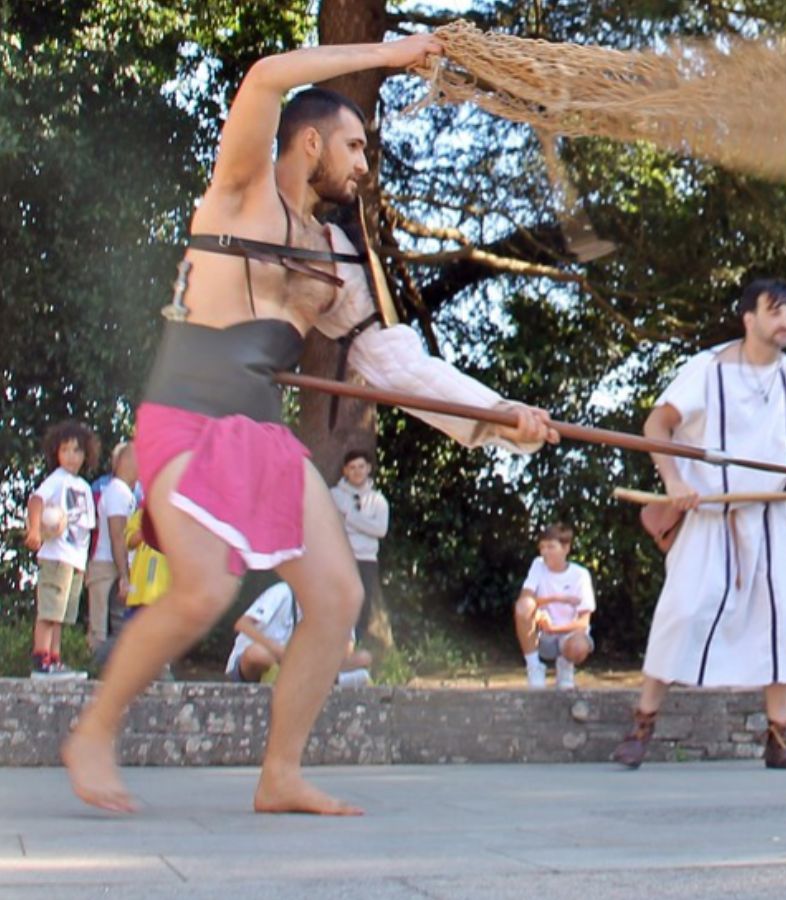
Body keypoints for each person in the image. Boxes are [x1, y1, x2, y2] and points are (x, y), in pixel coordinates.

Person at [62, 34, 559, 816]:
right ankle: (93, 730)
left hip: (260, 432)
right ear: (311, 139)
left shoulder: (337, 260)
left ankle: (280, 774)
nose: (364, 165)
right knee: (202, 588)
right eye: (355, 146)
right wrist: (396, 55)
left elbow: (393, 364)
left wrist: (497, 417)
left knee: (333, 597)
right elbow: (264, 78)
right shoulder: (238, 192)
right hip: (186, 414)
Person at [611, 278, 786, 770]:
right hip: (710, 515)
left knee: (782, 621)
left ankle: (778, 738)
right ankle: (642, 726)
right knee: (682, 612)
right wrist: (674, 480)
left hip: (771, 518)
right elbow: (656, 426)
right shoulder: (707, 370)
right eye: (776, 312)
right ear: (749, 319)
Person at [24, 421, 99, 681]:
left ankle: (54, 660)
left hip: (74, 559)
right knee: (49, 610)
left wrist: (85, 565)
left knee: (62, 615)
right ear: (56, 452)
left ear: (85, 454)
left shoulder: (84, 488)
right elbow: (36, 500)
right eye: (65, 450)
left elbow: (86, 530)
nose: (71, 456)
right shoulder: (56, 480)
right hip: (56, 556)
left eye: (77, 451)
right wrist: (35, 529)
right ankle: (41, 658)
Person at [226, 583, 371, 686]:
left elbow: (347, 649)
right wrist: (276, 650)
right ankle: (325, 683)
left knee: (363, 658)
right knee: (258, 654)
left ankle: (318, 681)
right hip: (264, 664)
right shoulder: (282, 592)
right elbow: (242, 625)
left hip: (301, 668)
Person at [512, 523, 596, 690]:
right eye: (542, 547)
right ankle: (534, 668)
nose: (545, 552)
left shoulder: (580, 575)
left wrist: (555, 628)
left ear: (566, 548)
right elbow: (525, 599)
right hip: (542, 635)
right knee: (523, 607)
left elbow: (583, 622)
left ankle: (565, 668)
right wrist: (555, 600)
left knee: (579, 647)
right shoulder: (538, 565)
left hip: (568, 636)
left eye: (551, 547)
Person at [330, 448, 388, 643]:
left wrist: (350, 517)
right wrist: (363, 523)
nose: (357, 471)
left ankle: (356, 650)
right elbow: (332, 524)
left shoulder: (378, 500)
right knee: (338, 605)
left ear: (368, 468)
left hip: (367, 560)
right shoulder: (334, 495)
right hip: (341, 558)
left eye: (361, 467)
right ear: (345, 470)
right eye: (352, 467)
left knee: (362, 607)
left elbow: (380, 530)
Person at [85, 442, 138, 655]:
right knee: (99, 626)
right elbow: (118, 536)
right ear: (123, 462)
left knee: (120, 623)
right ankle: (95, 670)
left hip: (116, 563)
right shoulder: (118, 492)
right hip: (107, 563)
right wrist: (125, 575)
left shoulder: (126, 493)